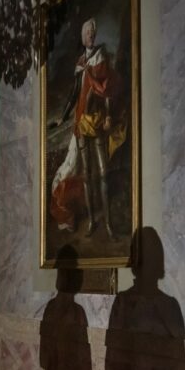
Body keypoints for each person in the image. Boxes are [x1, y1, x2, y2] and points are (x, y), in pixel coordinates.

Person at [49, 17, 126, 238]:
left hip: (99, 120)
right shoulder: (81, 62)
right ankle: (92, 220)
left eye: (93, 31)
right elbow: (74, 94)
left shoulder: (101, 57)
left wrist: (110, 115)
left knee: (103, 174)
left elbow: (107, 89)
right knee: (86, 176)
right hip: (81, 122)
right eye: (87, 32)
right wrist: (62, 118)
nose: (91, 34)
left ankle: (109, 223)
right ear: (83, 37)